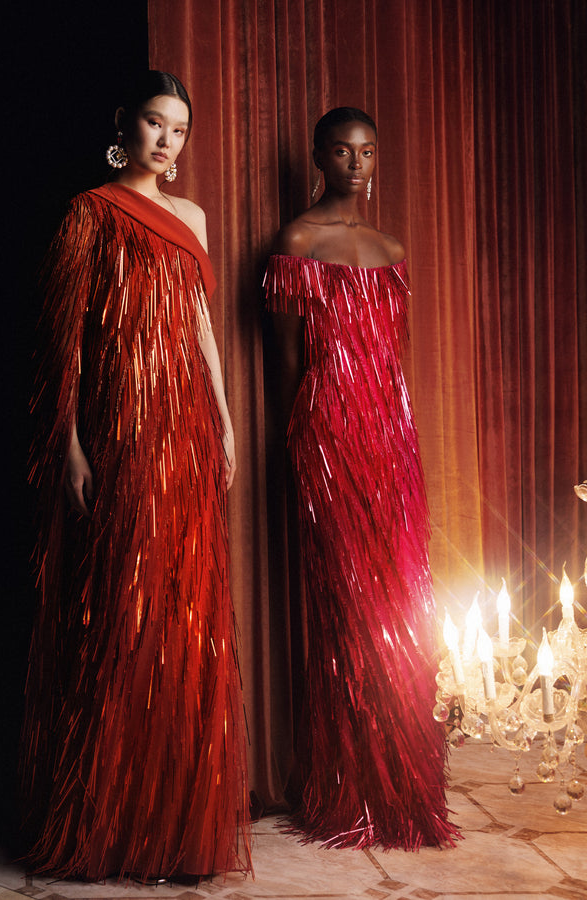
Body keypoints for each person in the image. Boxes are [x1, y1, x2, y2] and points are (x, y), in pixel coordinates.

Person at [20, 71, 252, 883]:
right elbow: (66, 342)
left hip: (186, 426)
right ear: (127, 125)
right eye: (155, 125)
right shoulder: (89, 211)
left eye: (180, 130)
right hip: (121, 430)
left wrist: (222, 417)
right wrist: (72, 443)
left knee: (187, 612)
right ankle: (111, 821)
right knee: (124, 607)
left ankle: (178, 826)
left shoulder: (189, 218)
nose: (167, 142)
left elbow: (198, 323)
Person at [263, 107, 459, 850]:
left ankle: (401, 781)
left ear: (377, 160)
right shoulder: (297, 242)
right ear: (318, 157)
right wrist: (299, 439)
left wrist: (392, 432)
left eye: (368, 151)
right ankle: (348, 784)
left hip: (392, 437)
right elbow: (285, 362)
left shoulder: (393, 248)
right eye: (342, 151)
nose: (355, 163)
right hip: (325, 433)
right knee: (346, 605)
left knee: (402, 602)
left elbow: (395, 357)